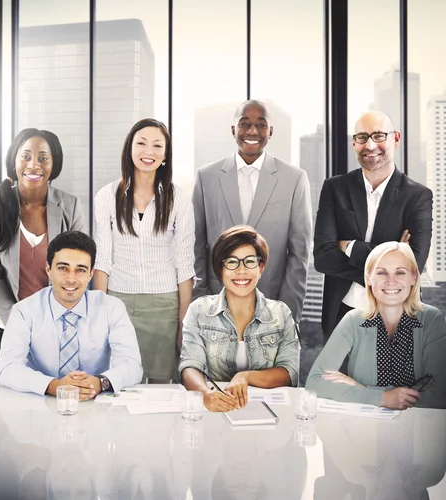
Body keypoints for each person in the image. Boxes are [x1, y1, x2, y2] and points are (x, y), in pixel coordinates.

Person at [314, 110, 433, 344]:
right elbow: (322, 257)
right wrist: (390, 262)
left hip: (397, 317)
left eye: (378, 136)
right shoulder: (334, 189)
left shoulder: (417, 196)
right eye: (362, 137)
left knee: (393, 382)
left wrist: (351, 247)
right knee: (340, 380)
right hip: (341, 315)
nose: (370, 145)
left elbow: (413, 264)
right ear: (353, 143)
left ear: (395, 139)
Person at [93, 118, 195, 383]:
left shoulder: (178, 198)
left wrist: (183, 320)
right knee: (121, 382)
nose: (148, 152)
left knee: (162, 385)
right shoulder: (106, 196)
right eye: (141, 143)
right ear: (130, 148)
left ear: (165, 155)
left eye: (157, 146)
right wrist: (100, 313)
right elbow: (102, 261)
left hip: (164, 305)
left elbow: (185, 265)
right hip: (118, 301)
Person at [192, 100, 312, 323]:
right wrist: (202, 304)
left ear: (271, 131)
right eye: (244, 124)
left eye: (261, 125)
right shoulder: (206, 177)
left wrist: (287, 315)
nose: (252, 131)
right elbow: (196, 248)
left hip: (272, 305)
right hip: (216, 307)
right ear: (233, 130)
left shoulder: (294, 179)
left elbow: (299, 253)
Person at [0, 128, 86, 370]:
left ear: (53, 164)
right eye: (25, 156)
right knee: (12, 400)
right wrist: (18, 321)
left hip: (59, 326)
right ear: (14, 161)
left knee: (55, 398)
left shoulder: (71, 206)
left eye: (43, 158)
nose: (34, 165)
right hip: (8, 327)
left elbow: (78, 267)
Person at [0, 231, 142, 397]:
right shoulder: (24, 311)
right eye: (63, 268)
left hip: (96, 404)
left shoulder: (111, 308)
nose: (71, 279)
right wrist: (54, 385)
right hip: (40, 405)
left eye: (80, 270)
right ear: (48, 269)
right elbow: (6, 368)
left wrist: (100, 382)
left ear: (91, 274)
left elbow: (132, 365)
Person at [306, 241, 446, 409]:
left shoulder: (431, 319)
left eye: (400, 272)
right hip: (364, 427)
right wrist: (383, 398)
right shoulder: (353, 320)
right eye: (381, 273)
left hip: (419, 428)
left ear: (414, 277)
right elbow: (315, 383)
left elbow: (439, 394)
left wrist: (363, 390)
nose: (391, 281)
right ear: (369, 278)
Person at [180, 225, 299, 412]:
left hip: (266, 411)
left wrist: (245, 377)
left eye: (250, 261)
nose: (241, 270)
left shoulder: (281, 313)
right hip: (215, 409)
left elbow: (289, 372)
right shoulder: (199, 310)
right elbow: (189, 367)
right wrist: (205, 394)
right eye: (232, 262)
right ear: (220, 269)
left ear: (261, 267)